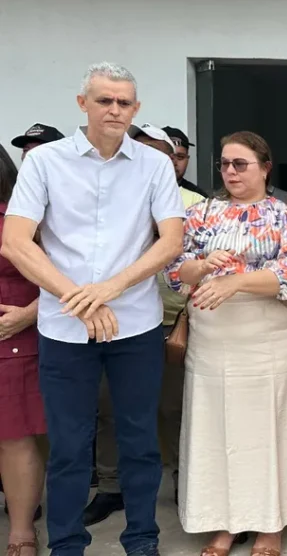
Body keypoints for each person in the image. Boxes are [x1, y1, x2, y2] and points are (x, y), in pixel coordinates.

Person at [1, 61, 185, 556]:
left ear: (136, 109)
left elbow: (171, 241)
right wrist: (76, 298)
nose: (114, 110)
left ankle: (142, 540)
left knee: (139, 441)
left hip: (136, 324)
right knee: (68, 446)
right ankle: (66, 545)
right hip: (64, 327)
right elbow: (15, 241)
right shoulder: (45, 162)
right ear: (83, 103)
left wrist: (108, 289)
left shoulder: (154, 166)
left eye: (124, 102)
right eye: (104, 100)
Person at [165, 130, 287, 556]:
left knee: (272, 432)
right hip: (214, 342)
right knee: (215, 432)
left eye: (240, 164)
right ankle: (224, 522)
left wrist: (235, 282)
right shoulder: (200, 214)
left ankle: (271, 524)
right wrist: (202, 267)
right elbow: (175, 271)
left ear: (265, 168)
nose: (230, 172)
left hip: (271, 340)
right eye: (224, 164)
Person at [85, 122, 184, 526]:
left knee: (172, 409)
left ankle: (184, 484)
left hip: (174, 321)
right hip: (117, 320)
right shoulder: (110, 199)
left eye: (161, 154)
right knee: (109, 409)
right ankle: (111, 486)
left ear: (174, 161)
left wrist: (188, 318)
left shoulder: (195, 203)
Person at [0, 144, 46, 556]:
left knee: (13, 438)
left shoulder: (24, 218)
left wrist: (30, 314)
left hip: (13, 342)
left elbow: (68, 275)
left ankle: (21, 534)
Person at [162, 126, 208, 197]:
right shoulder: (144, 189)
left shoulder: (198, 197)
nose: (174, 162)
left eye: (180, 157)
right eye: (167, 156)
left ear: (187, 159)